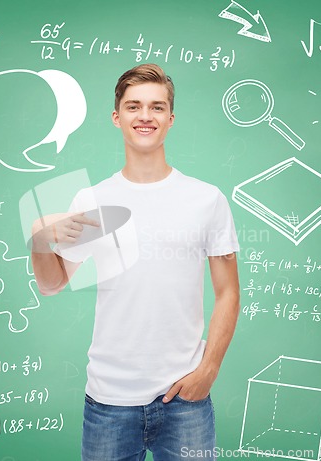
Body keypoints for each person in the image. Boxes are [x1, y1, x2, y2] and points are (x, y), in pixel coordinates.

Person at [31, 64, 240, 461]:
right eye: (134, 106)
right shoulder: (91, 200)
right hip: (109, 401)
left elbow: (228, 291)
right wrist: (39, 242)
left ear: (170, 118)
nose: (145, 116)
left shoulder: (207, 199)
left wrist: (208, 370)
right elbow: (52, 283)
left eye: (157, 107)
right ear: (117, 117)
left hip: (186, 400)